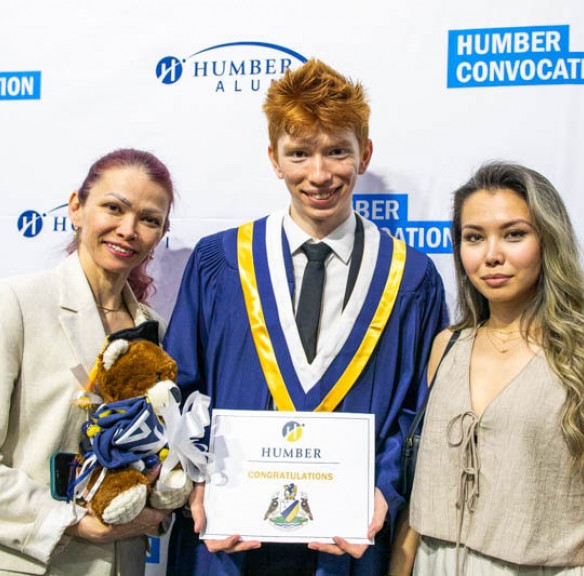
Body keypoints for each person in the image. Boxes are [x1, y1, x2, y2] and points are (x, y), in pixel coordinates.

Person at [163, 59, 448, 575]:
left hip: (349, 545)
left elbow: (419, 413)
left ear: (365, 154)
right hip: (229, 546)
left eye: (337, 151)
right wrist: (195, 478)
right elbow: (179, 392)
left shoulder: (412, 279)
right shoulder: (220, 264)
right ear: (274, 159)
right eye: (299, 154)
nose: (319, 174)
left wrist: (384, 490)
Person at [0, 148, 178, 575]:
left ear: (160, 233)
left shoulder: (152, 329)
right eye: (113, 208)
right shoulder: (14, 303)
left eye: (149, 219)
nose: (128, 229)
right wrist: (71, 522)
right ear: (77, 208)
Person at [393, 162, 584, 575]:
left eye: (514, 234)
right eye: (474, 237)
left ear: (548, 240)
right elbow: (420, 496)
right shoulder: (447, 346)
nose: (492, 255)